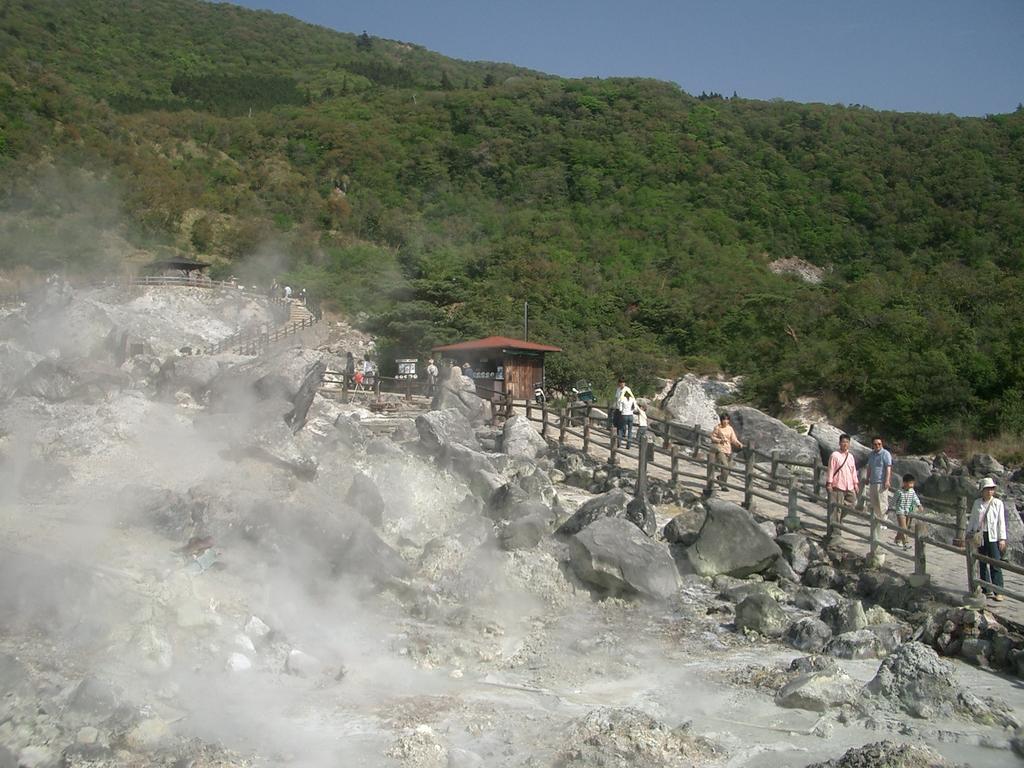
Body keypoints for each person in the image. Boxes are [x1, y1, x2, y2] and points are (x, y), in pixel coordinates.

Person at [967, 477, 1008, 601]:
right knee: (982, 562)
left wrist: (1002, 539)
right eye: (988, 489)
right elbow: (973, 519)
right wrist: (968, 533)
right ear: (982, 490)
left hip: (993, 535)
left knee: (995, 562)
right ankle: (986, 589)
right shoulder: (977, 503)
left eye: (992, 489)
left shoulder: (997, 503)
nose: (990, 491)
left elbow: (1001, 522)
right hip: (980, 535)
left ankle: (998, 590)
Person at [825, 433, 859, 524]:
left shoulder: (850, 456)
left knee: (852, 503)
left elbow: (853, 470)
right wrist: (829, 483)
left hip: (849, 485)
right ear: (839, 443)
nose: (845, 444)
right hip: (838, 484)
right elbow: (831, 469)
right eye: (843, 442)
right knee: (836, 507)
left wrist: (855, 483)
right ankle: (835, 529)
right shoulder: (835, 455)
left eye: (847, 442)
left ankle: (839, 519)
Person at [709, 413, 743, 491]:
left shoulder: (730, 428)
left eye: (727, 419)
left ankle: (721, 478)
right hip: (720, 449)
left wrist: (738, 444)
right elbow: (712, 437)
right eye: (724, 419)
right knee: (725, 466)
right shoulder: (718, 428)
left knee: (729, 468)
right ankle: (723, 485)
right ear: (721, 420)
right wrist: (720, 440)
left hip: (728, 449)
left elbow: (733, 439)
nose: (726, 421)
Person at [890, 473, 923, 549]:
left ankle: (897, 539)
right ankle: (906, 543)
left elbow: (915, 498)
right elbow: (893, 500)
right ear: (904, 483)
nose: (912, 485)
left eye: (913, 483)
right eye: (910, 483)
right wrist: (889, 508)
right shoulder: (899, 492)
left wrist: (919, 505)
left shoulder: (912, 491)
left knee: (905, 527)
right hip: (900, 511)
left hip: (908, 511)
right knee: (903, 527)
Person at [866, 436, 893, 519]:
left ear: (882, 444)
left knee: (883, 502)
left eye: (879, 444)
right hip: (873, 481)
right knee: (874, 502)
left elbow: (888, 468)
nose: (877, 446)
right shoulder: (871, 454)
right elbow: (869, 467)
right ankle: (876, 519)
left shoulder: (886, 454)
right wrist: (867, 478)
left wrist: (887, 480)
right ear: (872, 445)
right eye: (875, 444)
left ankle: (883, 521)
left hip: (881, 482)